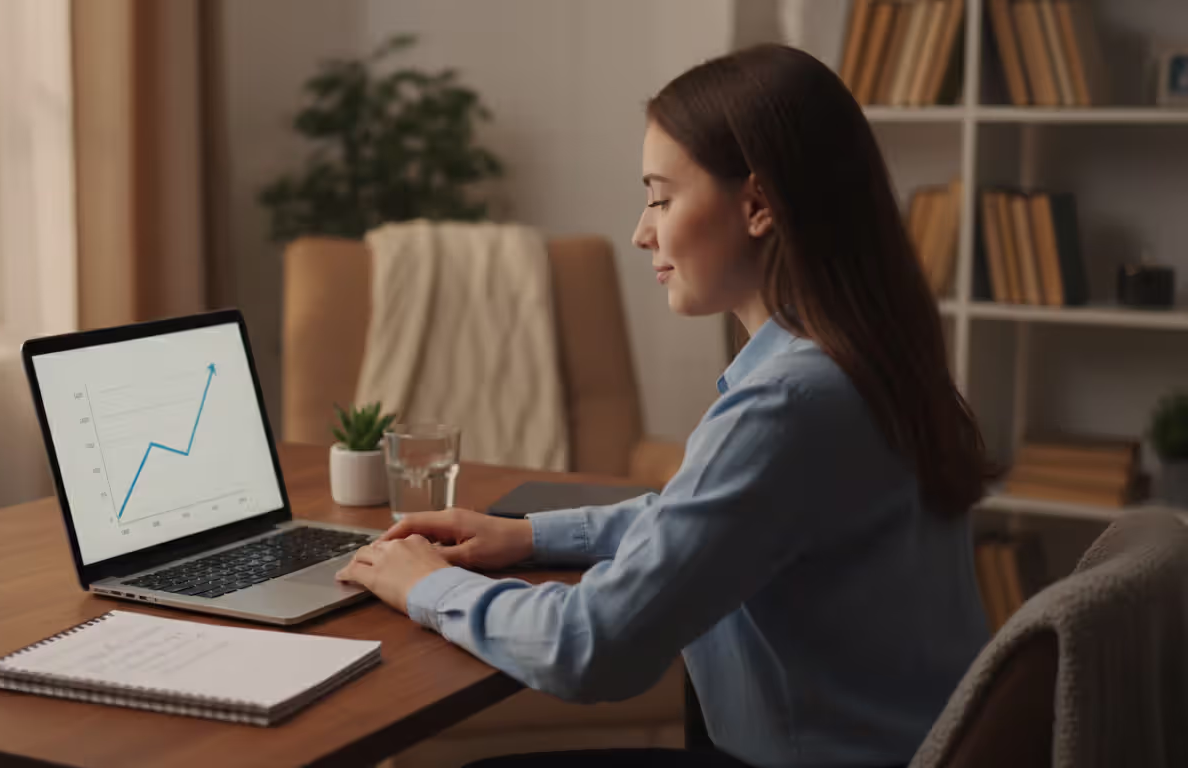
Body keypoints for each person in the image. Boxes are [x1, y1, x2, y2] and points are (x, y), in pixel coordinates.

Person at [336, 43, 991, 768]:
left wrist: (428, 585)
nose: (642, 231)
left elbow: (590, 648)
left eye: (660, 195)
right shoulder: (868, 361)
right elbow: (719, 520)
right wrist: (526, 537)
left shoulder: (789, 401)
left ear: (757, 204)